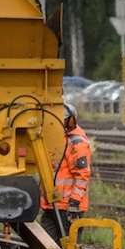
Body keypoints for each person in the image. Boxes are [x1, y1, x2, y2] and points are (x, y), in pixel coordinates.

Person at [47, 103, 93, 241]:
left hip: (68, 207)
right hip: (52, 205)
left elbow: (83, 174)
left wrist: (74, 202)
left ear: (69, 121)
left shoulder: (76, 143)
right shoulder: (57, 140)